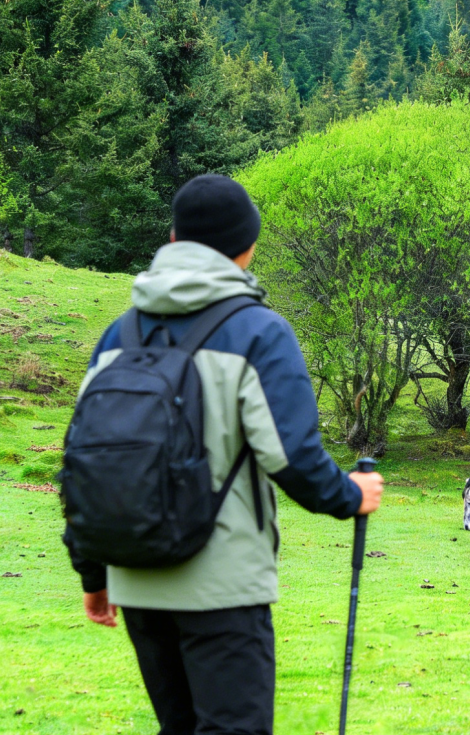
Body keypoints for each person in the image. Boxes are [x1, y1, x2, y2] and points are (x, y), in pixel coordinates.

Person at [63, 173, 384, 735]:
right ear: (248, 246)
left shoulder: (120, 336)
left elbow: (87, 463)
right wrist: (349, 496)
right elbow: (293, 459)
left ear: (172, 239)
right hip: (223, 585)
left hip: (135, 576)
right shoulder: (259, 332)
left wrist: (94, 573)